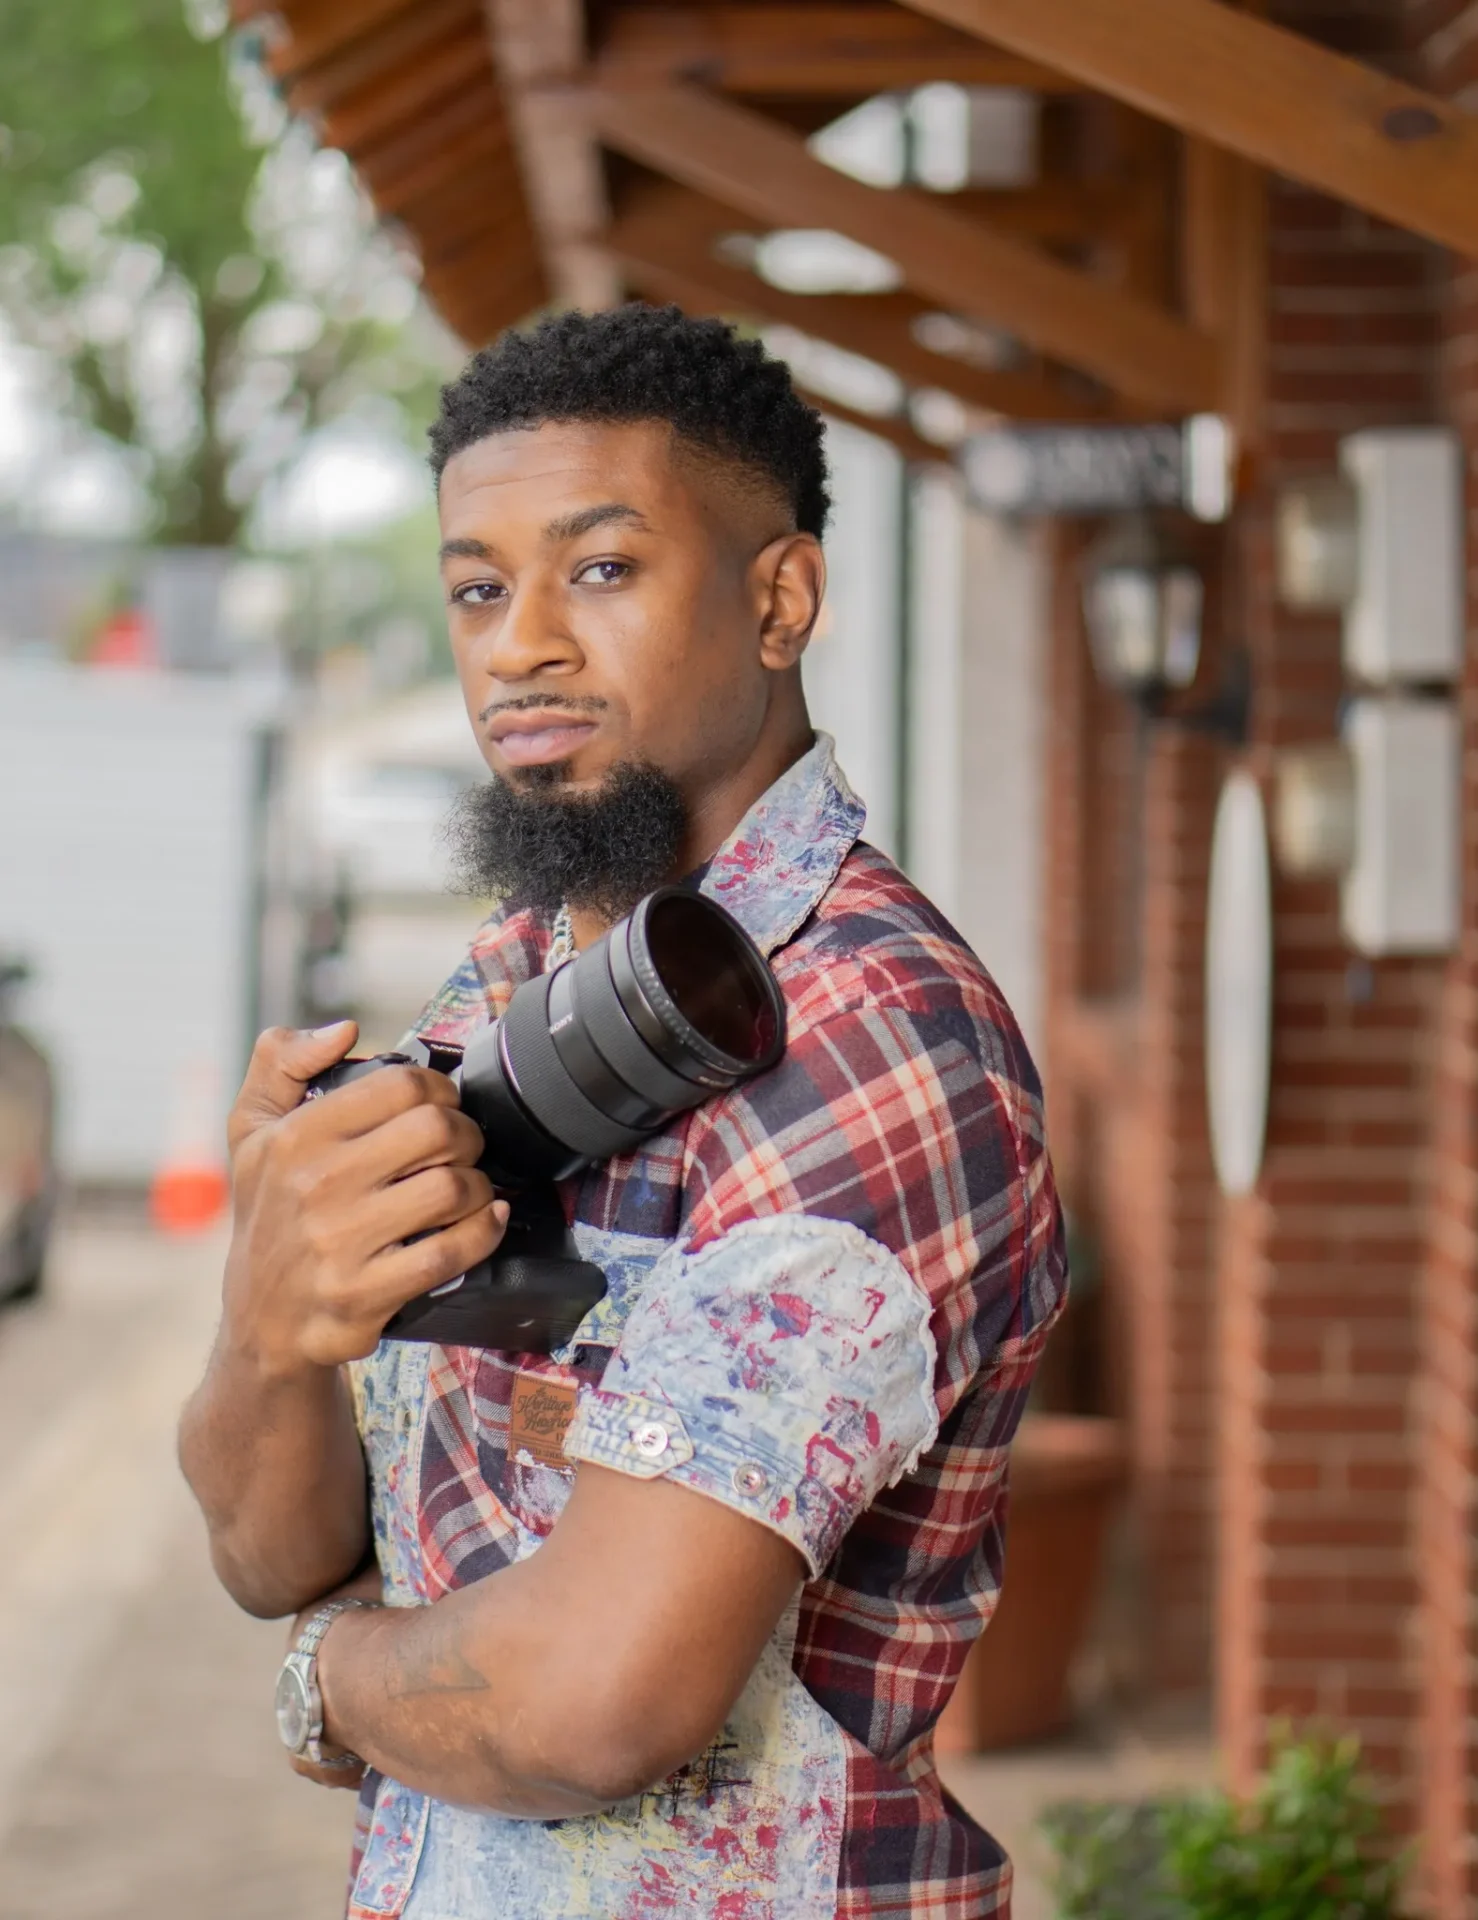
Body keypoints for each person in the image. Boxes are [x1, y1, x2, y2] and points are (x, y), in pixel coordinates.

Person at [179, 303, 1068, 1920]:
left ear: (778, 598)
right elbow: (270, 1551)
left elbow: (588, 1703)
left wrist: (321, 1681)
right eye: (475, 586)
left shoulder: (862, 1049)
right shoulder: (508, 983)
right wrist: (268, 1315)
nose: (519, 642)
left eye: (598, 569)